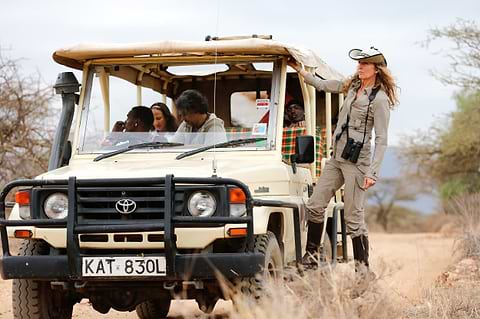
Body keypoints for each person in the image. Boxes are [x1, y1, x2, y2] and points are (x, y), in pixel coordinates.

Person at [289, 47, 398, 274]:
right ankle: (312, 257)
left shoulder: (379, 100)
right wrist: (300, 71)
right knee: (315, 205)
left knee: (353, 217)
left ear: (376, 69)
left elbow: (382, 139)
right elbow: (324, 85)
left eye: (364, 64)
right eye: (358, 63)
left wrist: (372, 172)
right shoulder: (352, 86)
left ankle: (363, 271)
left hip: (358, 162)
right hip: (337, 157)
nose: (359, 66)